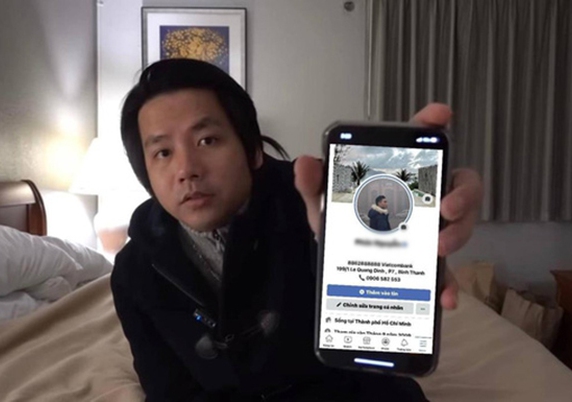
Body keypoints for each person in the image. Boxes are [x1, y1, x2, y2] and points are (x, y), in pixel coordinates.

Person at [111, 58, 484, 401]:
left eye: (207, 140)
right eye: (163, 152)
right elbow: (169, 393)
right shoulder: (134, 271)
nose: (186, 169)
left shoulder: (317, 198)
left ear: (253, 150)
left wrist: (411, 214)